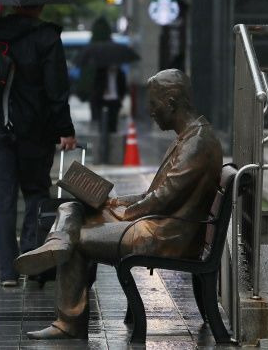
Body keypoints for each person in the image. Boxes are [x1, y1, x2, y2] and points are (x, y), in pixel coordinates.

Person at [14, 69, 222, 339]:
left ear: (171, 102)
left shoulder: (198, 143)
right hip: (157, 223)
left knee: (77, 240)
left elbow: (163, 198)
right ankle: (57, 243)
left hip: (163, 234)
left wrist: (124, 213)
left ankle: (69, 322)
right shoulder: (191, 137)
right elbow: (160, 193)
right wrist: (114, 201)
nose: (150, 111)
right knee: (71, 207)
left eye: (153, 104)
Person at [0, 5, 77, 287]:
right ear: (36, 5)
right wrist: (64, 129)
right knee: (37, 193)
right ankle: (32, 259)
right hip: (35, 132)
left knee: (1, 199)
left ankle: (7, 273)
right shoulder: (47, 37)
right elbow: (56, 87)